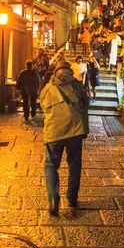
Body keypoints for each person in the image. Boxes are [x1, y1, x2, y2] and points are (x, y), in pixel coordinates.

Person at [39, 60, 89, 216]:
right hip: (75, 130)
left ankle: (53, 198)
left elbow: (42, 106)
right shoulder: (78, 86)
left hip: (54, 132)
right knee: (74, 164)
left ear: (56, 72)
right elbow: (86, 104)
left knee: (51, 165)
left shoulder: (48, 87)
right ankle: (72, 198)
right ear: (70, 71)